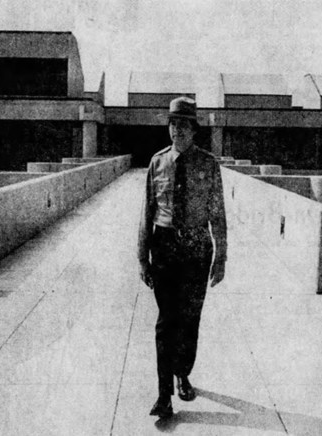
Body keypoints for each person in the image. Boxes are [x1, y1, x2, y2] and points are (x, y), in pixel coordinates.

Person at [137, 96, 227, 419]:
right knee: (165, 322)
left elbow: (217, 212)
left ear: (194, 130)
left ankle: (182, 373)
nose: (178, 131)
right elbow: (147, 211)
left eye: (185, 125)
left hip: (197, 248)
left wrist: (221, 256)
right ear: (169, 127)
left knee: (190, 318)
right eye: (174, 124)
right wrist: (142, 258)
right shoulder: (157, 163)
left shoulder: (208, 164)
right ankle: (164, 397)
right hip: (164, 248)